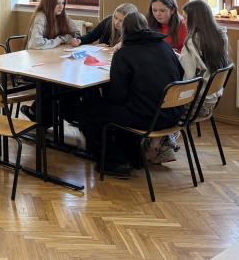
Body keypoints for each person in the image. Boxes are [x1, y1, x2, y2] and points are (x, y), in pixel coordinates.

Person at [77, 12, 184, 177]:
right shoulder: (164, 46)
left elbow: (116, 96)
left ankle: (112, 161)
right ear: (146, 27)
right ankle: (133, 156)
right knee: (124, 107)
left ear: (125, 31)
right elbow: (180, 74)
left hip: (149, 118)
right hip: (175, 113)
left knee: (87, 111)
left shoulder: (124, 54)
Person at [180, 0, 230, 118]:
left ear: (195, 20)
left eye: (185, 18)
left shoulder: (192, 41)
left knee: (157, 104)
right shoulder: (221, 35)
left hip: (197, 105)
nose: (183, 21)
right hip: (212, 99)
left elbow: (188, 77)